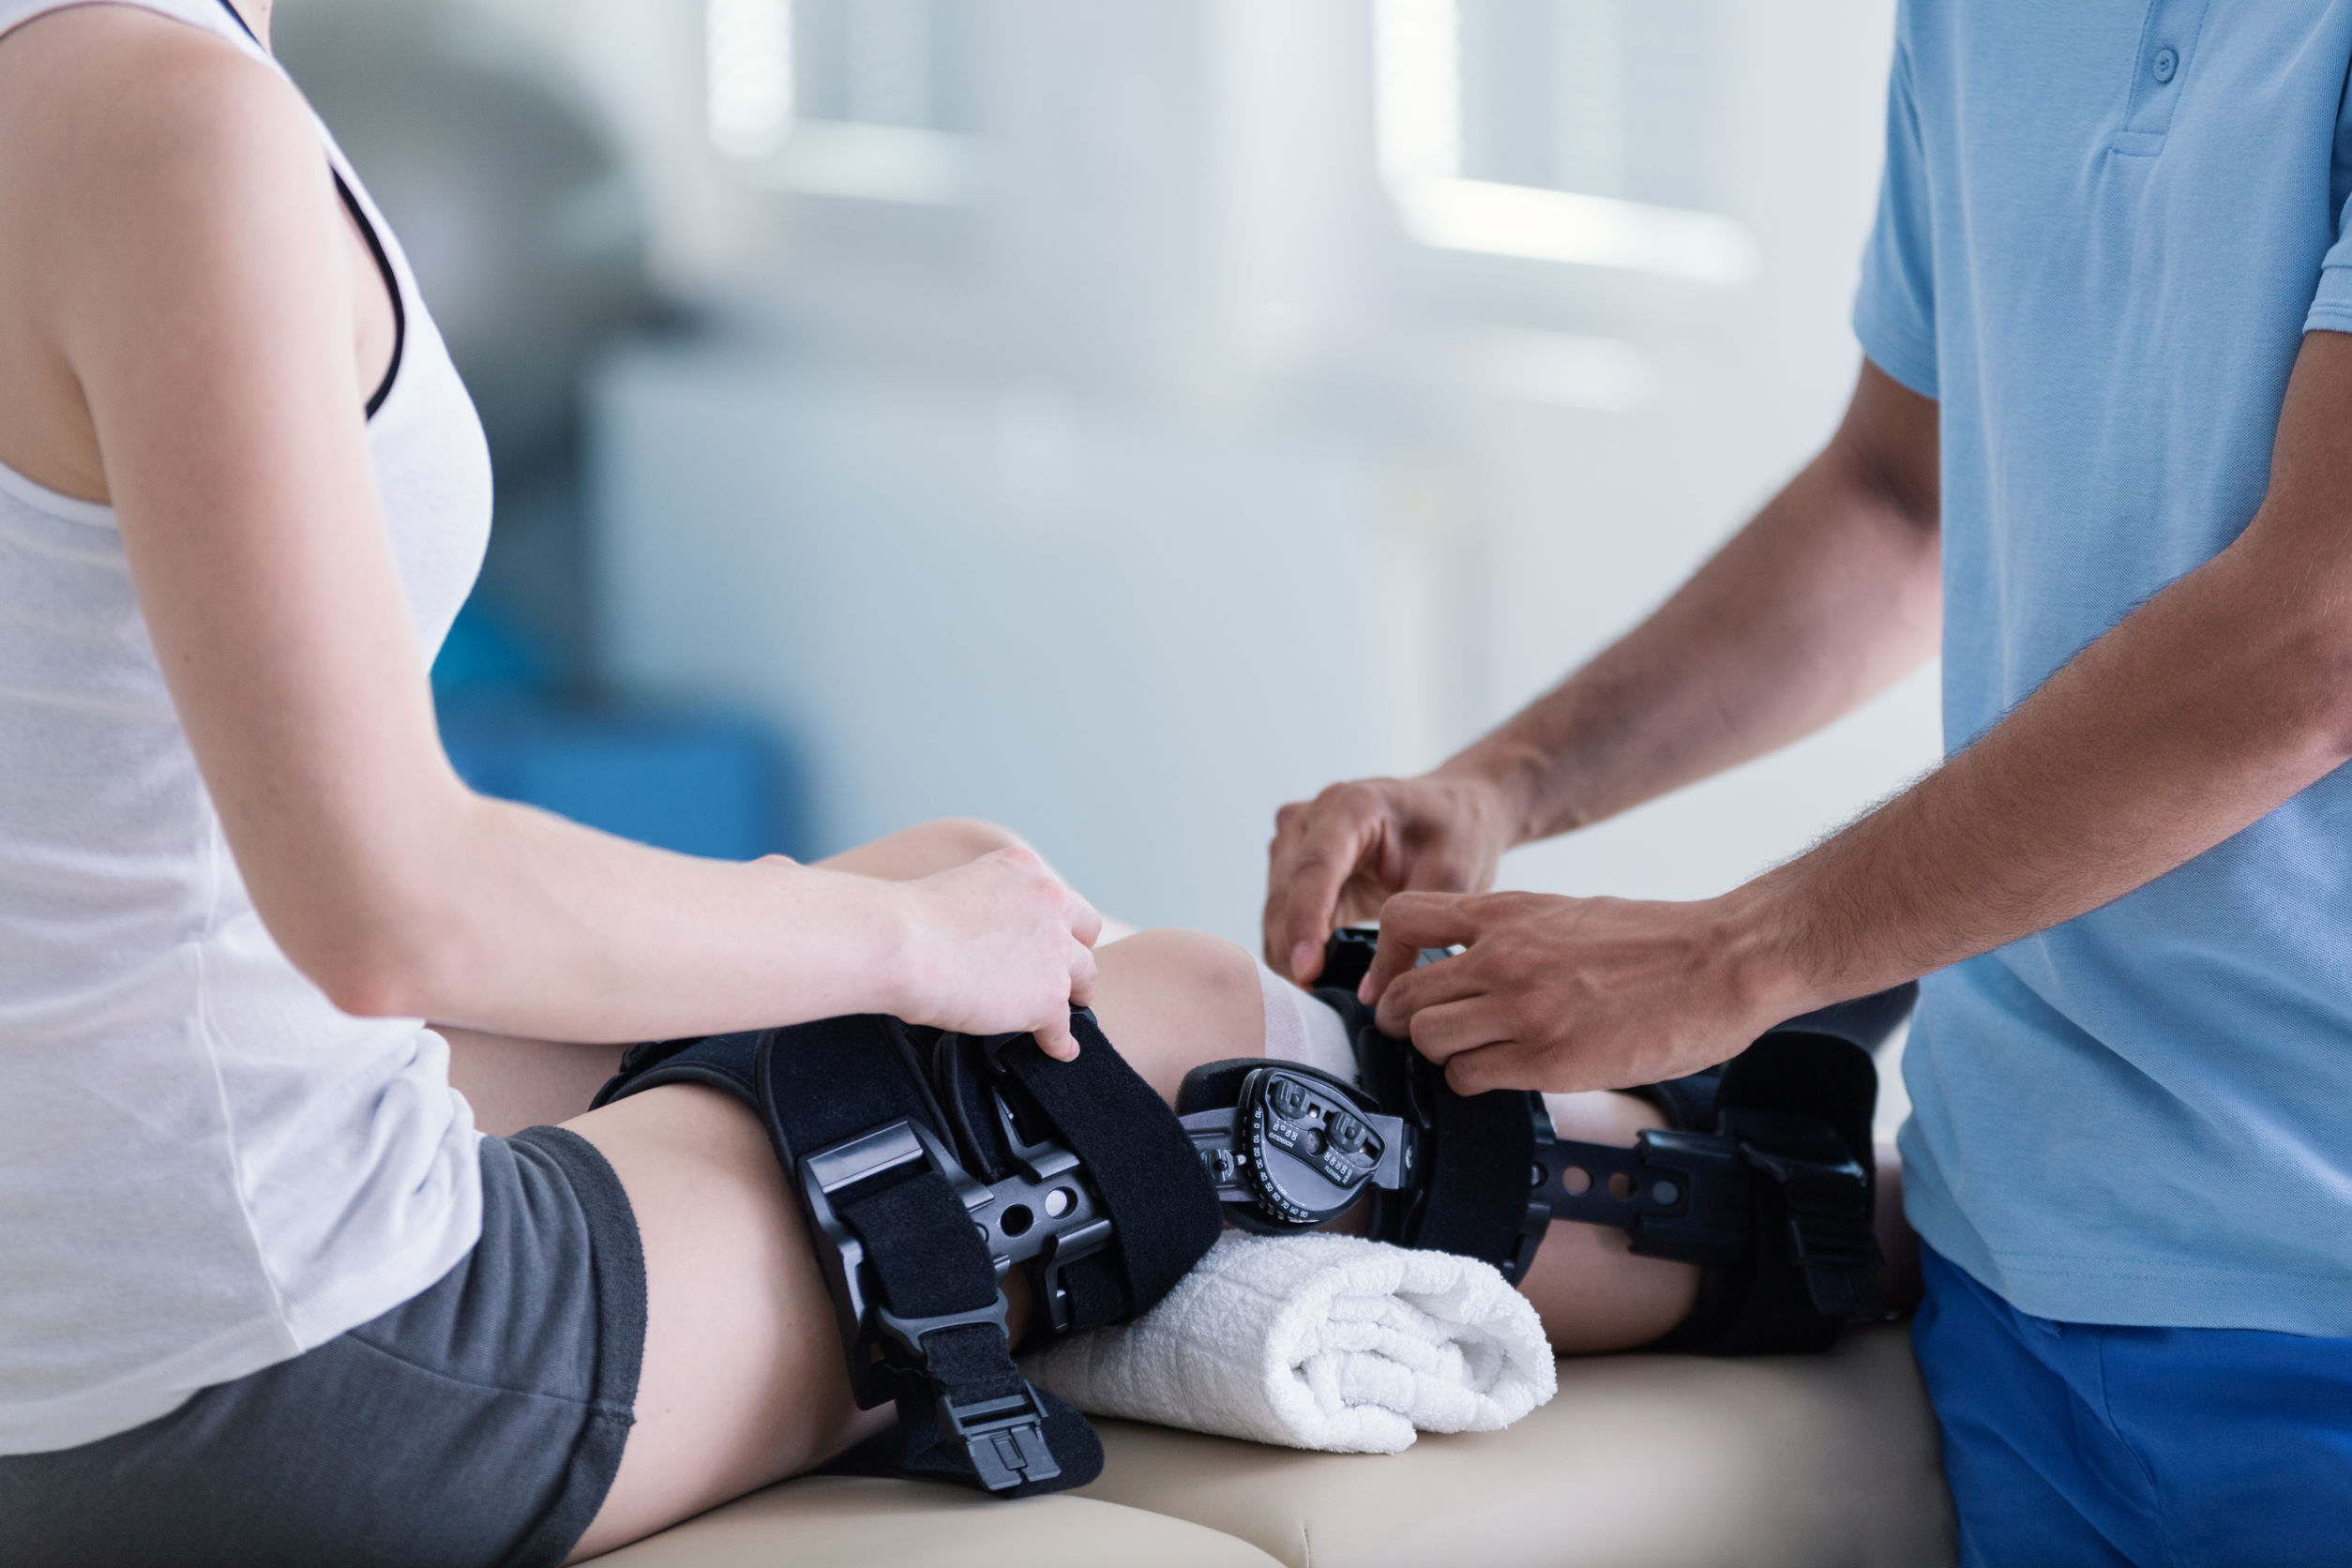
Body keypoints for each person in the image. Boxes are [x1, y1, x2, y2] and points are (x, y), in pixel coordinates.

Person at [0, 2, 1818, 1561]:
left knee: (949, 892)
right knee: (1151, 1025)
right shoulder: (164, 124)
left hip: (64, 1293)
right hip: (255, 1374)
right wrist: (906, 945)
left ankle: (1674, 1123)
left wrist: (888, 921)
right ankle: (1819, 1217)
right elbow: (389, 909)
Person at [1263, 6, 2352, 1563]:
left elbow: (2319, 638)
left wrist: (1740, 957)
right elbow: (1897, 495)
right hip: (2021, 1261)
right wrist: (1511, 782)